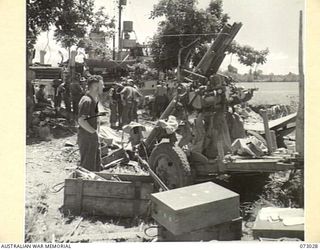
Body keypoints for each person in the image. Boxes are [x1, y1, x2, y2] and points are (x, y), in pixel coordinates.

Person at [77, 76, 103, 172]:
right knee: (87, 168)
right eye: (102, 85)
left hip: (91, 137)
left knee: (95, 166)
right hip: (87, 138)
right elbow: (81, 120)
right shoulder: (86, 100)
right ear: (95, 86)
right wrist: (94, 133)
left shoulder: (93, 100)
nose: (103, 87)